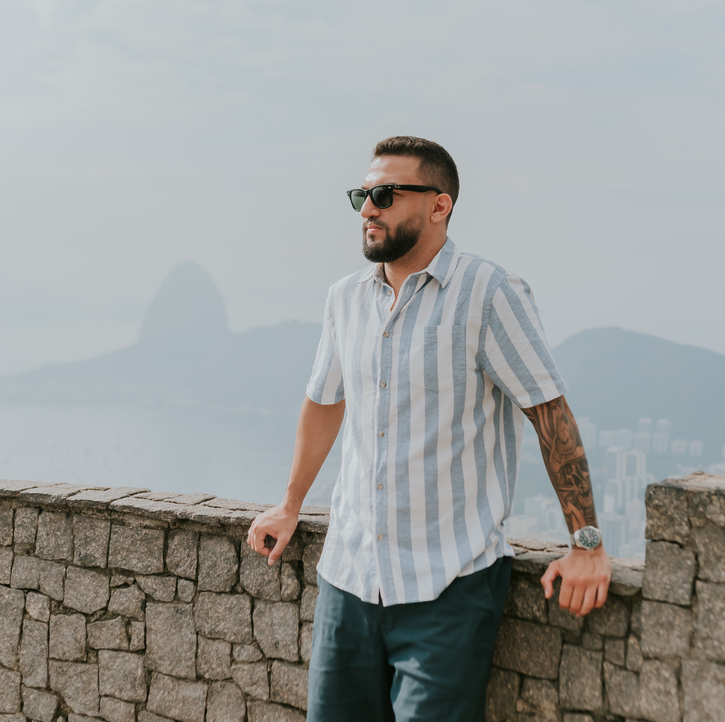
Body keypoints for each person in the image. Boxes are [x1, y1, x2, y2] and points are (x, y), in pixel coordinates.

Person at [247, 135, 610, 721]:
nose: (368, 209)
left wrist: (587, 544)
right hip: (348, 581)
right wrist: (290, 505)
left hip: (450, 587)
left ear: (439, 205)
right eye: (362, 196)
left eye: (385, 195)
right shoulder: (345, 299)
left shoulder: (489, 292)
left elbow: (550, 414)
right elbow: (324, 402)